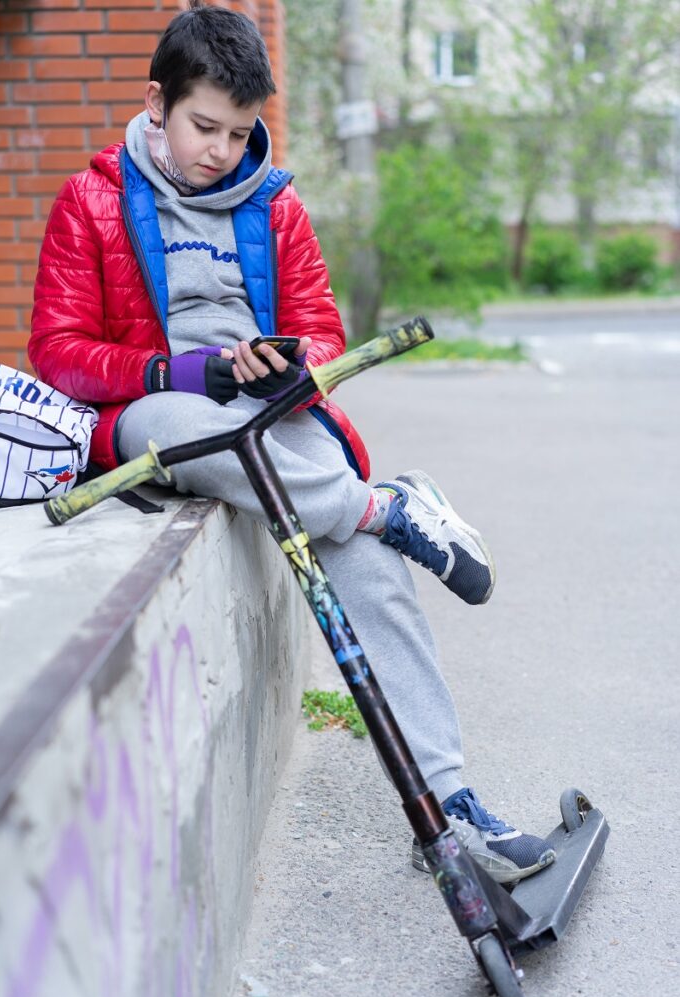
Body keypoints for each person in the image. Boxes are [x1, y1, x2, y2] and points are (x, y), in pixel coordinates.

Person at [28, 2, 555, 885]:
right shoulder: (90, 200)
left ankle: (447, 801)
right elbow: (58, 355)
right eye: (204, 126)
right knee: (195, 432)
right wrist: (186, 373)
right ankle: (387, 507)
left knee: (370, 571)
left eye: (239, 133)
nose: (220, 151)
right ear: (155, 103)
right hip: (162, 412)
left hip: (270, 418)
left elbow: (319, 330)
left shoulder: (275, 203)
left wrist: (282, 365)